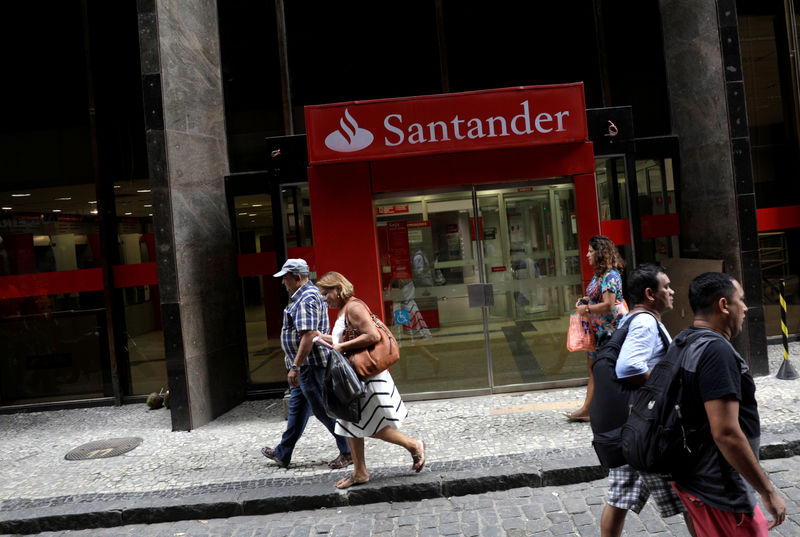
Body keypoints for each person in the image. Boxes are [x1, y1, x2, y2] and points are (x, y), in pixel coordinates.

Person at [670, 272, 786, 536]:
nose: (745, 308)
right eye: (741, 300)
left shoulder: (683, 341)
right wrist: (767, 491)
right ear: (723, 305)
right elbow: (726, 433)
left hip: (697, 480)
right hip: (721, 491)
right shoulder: (716, 351)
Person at [597, 264, 696, 537]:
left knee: (618, 498)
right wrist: (663, 391)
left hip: (637, 426)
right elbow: (629, 367)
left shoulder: (634, 319)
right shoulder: (643, 322)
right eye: (667, 287)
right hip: (650, 427)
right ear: (651, 294)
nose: (672, 291)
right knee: (689, 494)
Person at [315, 271, 426, 489]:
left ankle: (414, 445)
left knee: (367, 424)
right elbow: (345, 337)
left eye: (326, 293)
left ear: (337, 289)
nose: (324, 298)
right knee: (350, 422)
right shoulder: (344, 309)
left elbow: (373, 335)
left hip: (368, 377)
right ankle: (360, 472)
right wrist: (321, 338)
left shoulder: (354, 307)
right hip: (359, 376)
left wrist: (341, 347)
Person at [261, 259, 352, 470]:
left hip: (310, 366)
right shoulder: (302, 296)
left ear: (297, 277)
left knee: (323, 410)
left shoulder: (306, 298)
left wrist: (295, 366)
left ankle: (348, 451)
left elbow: (309, 334)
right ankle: (283, 453)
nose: (283, 282)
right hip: (306, 366)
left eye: (285, 278)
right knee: (297, 409)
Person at [566, 235, 626, 422]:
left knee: (605, 369)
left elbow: (608, 305)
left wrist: (587, 308)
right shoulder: (600, 275)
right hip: (598, 333)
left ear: (601, 254)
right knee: (594, 368)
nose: (587, 255)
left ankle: (595, 409)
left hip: (609, 333)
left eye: (591, 251)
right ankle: (588, 409)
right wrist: (587, 301)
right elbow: (599, 298)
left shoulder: (611, 276)